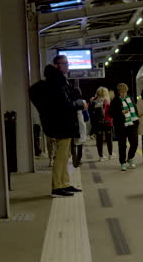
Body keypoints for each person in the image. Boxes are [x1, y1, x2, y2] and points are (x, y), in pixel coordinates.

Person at [42, 55, 87, 197]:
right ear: (56, 65)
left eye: (68, 63)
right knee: (61, 156)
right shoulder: (57, 81)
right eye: (64, 63)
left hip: (65, 123)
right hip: (61, 124)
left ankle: (65, 183)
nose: (67, 66)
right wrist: (81, 104)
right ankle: (57, 187)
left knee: (66, 154)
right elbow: (64, 104)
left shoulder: (60, 80)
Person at [109, 83, 139, 171]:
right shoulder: (115, 101)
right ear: (118, 92)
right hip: (120, 126)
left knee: (135, 143)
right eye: (121, 92)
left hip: (132, 125)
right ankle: (122, 162)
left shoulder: (130, 99)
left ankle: (130, 158)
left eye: (124, 92)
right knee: (122, 145)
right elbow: (110, 113)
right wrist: (121, 112)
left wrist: (136, 122)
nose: (123, 94)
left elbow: (135, 110)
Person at [90, 86, 115, 161]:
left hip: (98, 123)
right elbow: (111, 112)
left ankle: (101, 156)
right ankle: (110, 154)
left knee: (99, 139)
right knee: (109, 139)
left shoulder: (95, 101)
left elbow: (90, 110)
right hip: (107, 122)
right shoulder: (107, 101)